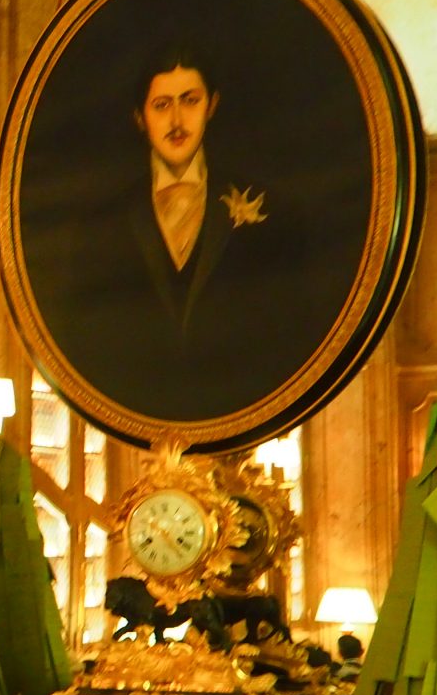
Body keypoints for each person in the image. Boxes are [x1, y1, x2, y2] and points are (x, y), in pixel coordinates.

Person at [28, 44, 341, 426]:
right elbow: (86, 339)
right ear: (140, 117)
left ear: (211, 105)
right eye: (161, 105)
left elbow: (289, 329)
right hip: (138, 414)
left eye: (190, 101)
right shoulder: (98, 225)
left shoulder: (274, 216)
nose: (177, 120)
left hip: (235, 416)